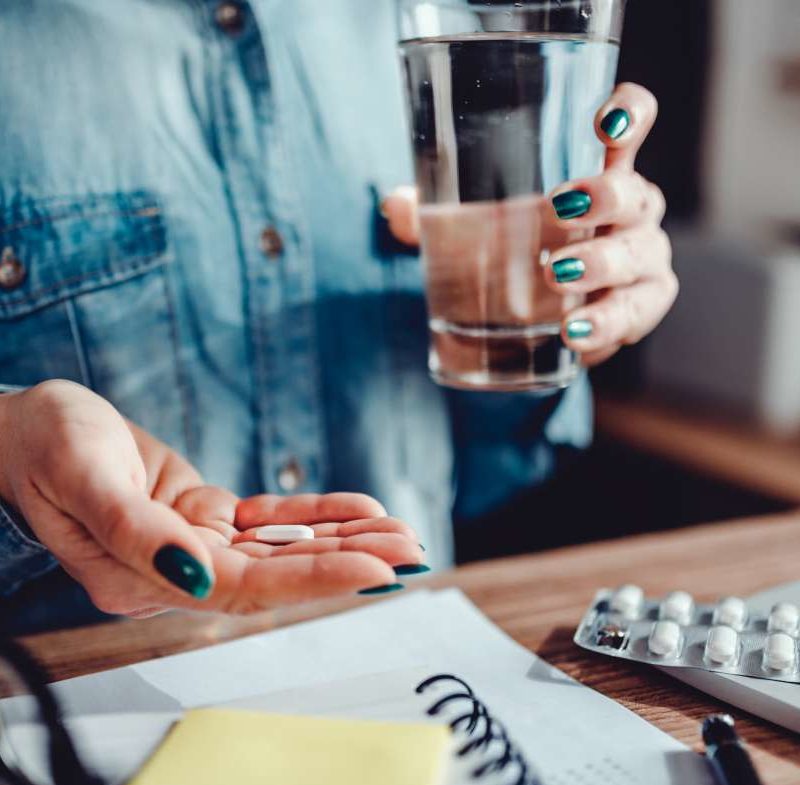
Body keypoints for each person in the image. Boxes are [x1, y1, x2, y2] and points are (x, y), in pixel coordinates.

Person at [0, 2, 676, 630]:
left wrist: (545, 322)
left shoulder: (433, 20)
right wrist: (10, 450)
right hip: (82, 696)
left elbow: (487, 472)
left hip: (407, 670)